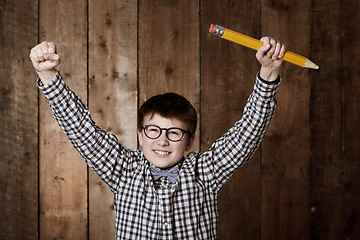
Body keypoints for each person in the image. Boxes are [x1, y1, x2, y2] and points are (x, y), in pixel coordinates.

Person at [30, 37, 285, 239]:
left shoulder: (205, 172)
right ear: (140, 136)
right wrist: (48, 75)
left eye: (174, 133)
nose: (162, 141)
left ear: (190, 141)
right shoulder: (123, 170)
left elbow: (247, 134)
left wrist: (269, 72)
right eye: (153, 130)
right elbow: (81, 130)